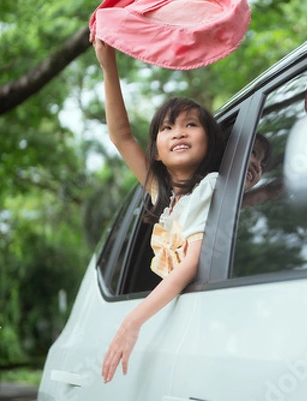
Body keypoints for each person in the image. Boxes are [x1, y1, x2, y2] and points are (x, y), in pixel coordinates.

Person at [91, 36, 225, 384]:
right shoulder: (162, 198)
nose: (178, 132)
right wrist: (108, 64)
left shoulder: (208, 189)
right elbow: (121, 136)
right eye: (167, 128)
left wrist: (132, 320)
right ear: (156, 154)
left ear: (209, 140)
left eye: (191, 125)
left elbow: (192, 261)